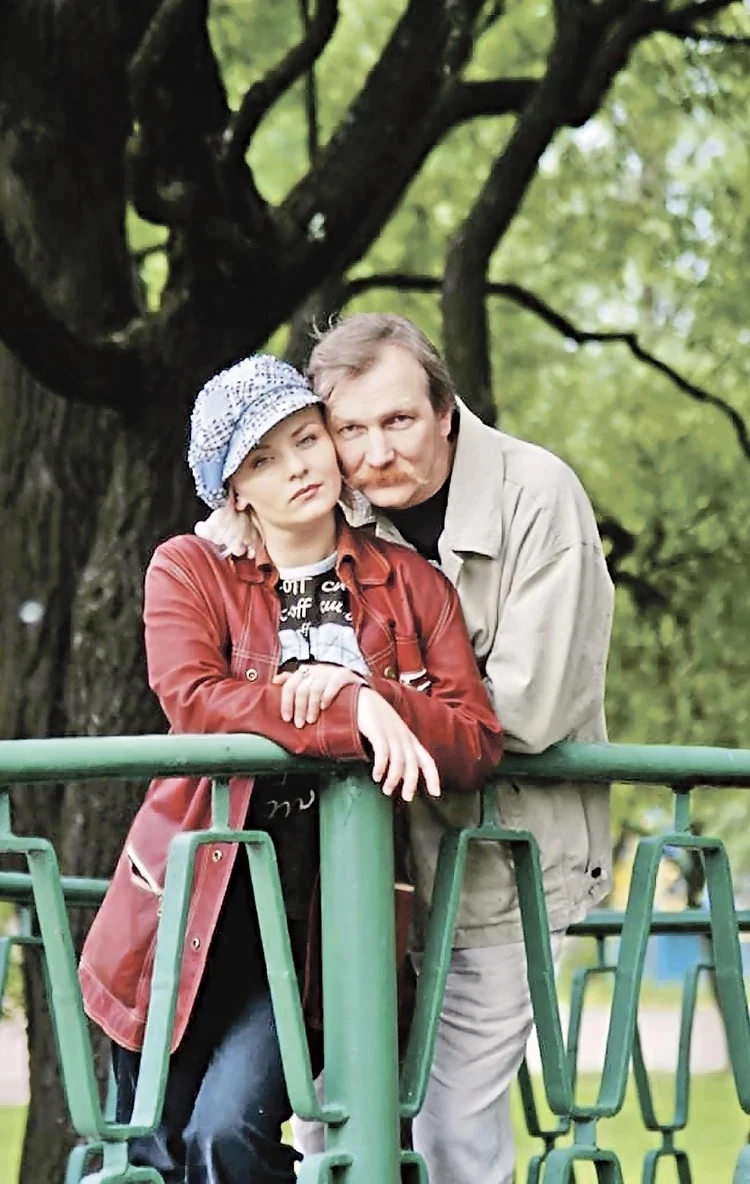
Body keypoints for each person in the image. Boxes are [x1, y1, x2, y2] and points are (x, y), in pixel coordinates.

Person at [78, 354, 503, 1184]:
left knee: (228, 1137)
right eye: (263, 460)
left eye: (307, 440)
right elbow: (194, 700)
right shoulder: (189, 568)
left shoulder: (411, 586)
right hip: (185, 907)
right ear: (234, 491)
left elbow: (475, 740)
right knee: (152, 1154)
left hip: (315, 922)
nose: (298, 468)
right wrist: (351, 716)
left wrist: (365, 691)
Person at [289, 313, 615, 1184]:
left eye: (398, 420)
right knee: (329, 1131)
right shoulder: (331, 505)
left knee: (453, 1145)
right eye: (350, 430)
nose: (376, 453)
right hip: (360, 877)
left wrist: (359, 700)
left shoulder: (537, 495)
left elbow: (529, 713)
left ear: (443, 410)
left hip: (500, 866)